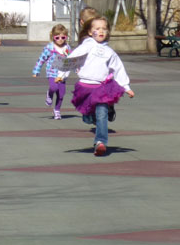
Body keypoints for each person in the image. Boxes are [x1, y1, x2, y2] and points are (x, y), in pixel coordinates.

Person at [58, 16, 135, 156]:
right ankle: (96, 116)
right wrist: (61, 75)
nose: (101, 31)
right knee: (88, 117)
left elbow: (118, 69)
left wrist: (126, 87)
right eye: (97, 29)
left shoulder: (109, 52)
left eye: (104, 29)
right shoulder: (86, 46)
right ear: (89, 31)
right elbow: (72, 59)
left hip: (101, 88)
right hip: (85, 88)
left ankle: (100, 142)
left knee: (101, 113)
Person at [32, 24, 71, 120]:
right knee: (54, 87)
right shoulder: (50, 48)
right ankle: (49, 94)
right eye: (57, 37)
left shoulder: (67, 48)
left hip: (62, 74)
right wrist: (36, 70)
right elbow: (41, 59)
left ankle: (57, 110)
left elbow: (71, 59)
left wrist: (77, 68)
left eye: (63, 37)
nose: (60, 39)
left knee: (61, 94)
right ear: (53, 37)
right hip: (52, 72)